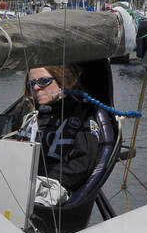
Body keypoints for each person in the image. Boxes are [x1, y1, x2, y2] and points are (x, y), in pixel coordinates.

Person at [24, 64, 101, 205]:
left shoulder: (81, 116)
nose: (36, 88)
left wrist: (36, 175)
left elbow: (82, 166)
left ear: (61, 81)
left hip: (52, 191)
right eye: (32, 83)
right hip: (19, 180)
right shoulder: (28, 115)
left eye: (43, 82)